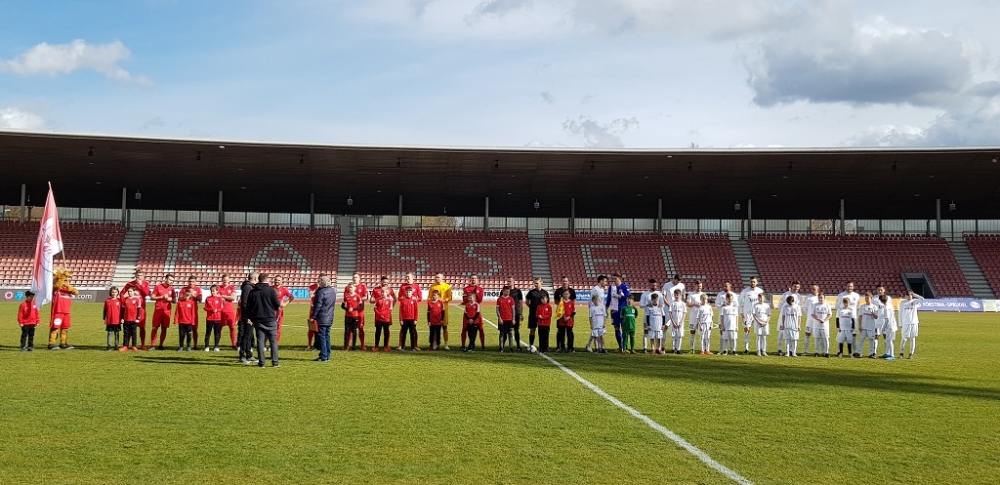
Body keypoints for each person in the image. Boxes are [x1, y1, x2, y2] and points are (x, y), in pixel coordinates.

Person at [245, 273, 282, 368]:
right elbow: (277, 305)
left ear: (259, 279)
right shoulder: (271, 291)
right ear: (267, 280)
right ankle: (275, 362)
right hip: (270, 319)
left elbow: (248, 306)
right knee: (273, 341)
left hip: (258, 319)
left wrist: (249, 317)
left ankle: (262, 363)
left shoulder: (253, 291)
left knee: (260, 341)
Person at [120, 270, 151, 349]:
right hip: (130, 309)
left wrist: (140, 285)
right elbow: (122, 293)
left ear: (143, 276)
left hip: (141, 309)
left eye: (140, 275)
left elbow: (146, 293)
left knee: (142, 327)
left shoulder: (146, 284)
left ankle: (143, 344)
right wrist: (124, 302)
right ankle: (126, 345)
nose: (139, 277)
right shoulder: (130, 284)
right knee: (130, 327)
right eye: (137, 275)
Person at [309, 274, 336, 362]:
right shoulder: (332, 291)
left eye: (320, 281)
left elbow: (318, 306)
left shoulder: (321, 292)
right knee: (327, 336)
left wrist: (313, 317)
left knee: (322, 337)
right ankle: (327, 355)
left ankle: (323, 356)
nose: (318, 283)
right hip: (330, 316)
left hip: (322, 317)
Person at [48, 271, 76, 350]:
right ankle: (51, 343)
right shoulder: (56, 288)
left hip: (66, 312)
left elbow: (76, 292)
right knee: (55, 327)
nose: (65, 281)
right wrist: (63, 276)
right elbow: (58, 285)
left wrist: (70, 288)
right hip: (58, 311)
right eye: (64, 280)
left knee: (65, 328)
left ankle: (63, 343)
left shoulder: (68, 289)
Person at [149, 274, 176, 351]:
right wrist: (161, 297)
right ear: (166, 279)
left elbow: (174, 300)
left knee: (164, 328)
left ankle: (161, 345)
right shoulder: (158, 287)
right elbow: (152, 297)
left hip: (167, 311)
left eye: (173, 281)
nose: (171, 282)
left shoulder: (172, 289)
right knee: (155, 327)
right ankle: (152, 345)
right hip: (158, 310)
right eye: (170, 280)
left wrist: (171, 299)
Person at [739, 277, 764, 354]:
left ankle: (759, 349)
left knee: (759, 332)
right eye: (751, 282)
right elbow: (739, 303)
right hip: (748, 314)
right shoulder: (745, 291)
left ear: (757, 283)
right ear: (749, 282)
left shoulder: (760, 291)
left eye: (754, 282)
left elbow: (762, 302)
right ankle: (746, 349)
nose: (752, 283)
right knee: (747, 331)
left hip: (757, 314)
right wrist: (742, 313)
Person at [237, 273, 258, 364]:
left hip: (251, 316)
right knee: (245, 336)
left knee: (249, 336)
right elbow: (244, 303)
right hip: (247, 317)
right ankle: (242, 356)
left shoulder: (250, 287)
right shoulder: (247, 288)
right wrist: (246, 318)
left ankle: (249, 355)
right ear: (255, 278)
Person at [370, 276, 395, 352]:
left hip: (386, 317)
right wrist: (379, 314)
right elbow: (374, 306)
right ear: (381, 282)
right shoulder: (376, 291)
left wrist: (384, 313)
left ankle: (386, 346)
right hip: (379, 317)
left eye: (387, 283)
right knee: (378, 331)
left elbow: (392, 305)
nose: (385, 284)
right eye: (384, 282)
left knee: (386, 331)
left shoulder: (390, 294)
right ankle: (376, 346)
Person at [605, 273, 629, 352]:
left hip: (622, 311)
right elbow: (609, 298)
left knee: (624, 329)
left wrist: (619, 296)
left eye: (615, 278)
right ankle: (620, 347)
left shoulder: (624, 287)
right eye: (613, 278)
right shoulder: (611, 287)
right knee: (616, 329)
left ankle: (625, 347)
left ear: (620, 278)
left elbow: (627, 298)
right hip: (614, 311)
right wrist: (606, 308)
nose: (614, 280)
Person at [836, 282, 861, 357]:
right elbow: (837, 306)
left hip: (853, 319)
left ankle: (854, 351)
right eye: (848, 286)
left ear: (853, 287)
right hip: (843, 319)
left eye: (851, 286)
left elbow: (858, 307)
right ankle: (839, 352)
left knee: (853, 335)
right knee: (840, 336)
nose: (849, 287)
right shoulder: (841, 295)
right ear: (846, 286)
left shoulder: (856, 296)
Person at [776, 281, 801, 356]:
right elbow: (780, 306)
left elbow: (798, 309)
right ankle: (779, 349)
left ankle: (790, 351)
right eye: (795, 286)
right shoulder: (785, 295)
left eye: (797, 287)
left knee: (792, 336)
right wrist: (785, 315)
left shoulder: (799, 296)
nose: (796, 288)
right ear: (791, 286)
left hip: (793, 320)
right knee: (781, 334)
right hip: (783, 318)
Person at [429, 273, 453, 350]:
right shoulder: (432, 286)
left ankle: (446, 344)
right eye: (436, 277)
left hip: (444, 310)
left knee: (445, 327)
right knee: (435, 328)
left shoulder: (447, 286)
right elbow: (429, 297)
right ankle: (435, 344)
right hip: (435, 311)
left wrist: (444, 300)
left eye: (438, 277)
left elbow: (450, 297)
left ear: (442, 277)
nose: (437, 278)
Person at [639, 279, 663, 353]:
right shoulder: (645, 294)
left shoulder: (659, 294)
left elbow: (662, 304)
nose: (654, 286)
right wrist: (646, 304)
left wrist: (660, 305)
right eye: (653, 285)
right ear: (649, 285)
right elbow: (640, 305)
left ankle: (658, 348)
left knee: (658, 332)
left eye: (655, 285)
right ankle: (645, 348)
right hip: (647, 316)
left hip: (657, 317)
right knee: (646, 331)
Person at [525, 278, 549, 351]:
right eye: (534, 283)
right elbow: (527, 302)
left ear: (541, 283)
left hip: (542, 316)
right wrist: (532, 308)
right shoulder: (531, 292)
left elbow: (547, 304)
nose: (535, 285)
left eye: (537, 283)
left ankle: (544, 347)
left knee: (543, 331)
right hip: (533, 315)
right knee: (532, 330)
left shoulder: (545, 293)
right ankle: (531, 345)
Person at [898, 291, 923, 359]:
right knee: (904, 338)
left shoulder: (915, 302)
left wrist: (914, 294)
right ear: (905, 296)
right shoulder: (902, 303)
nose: (909, 296)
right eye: (907, 295)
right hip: (906, 323)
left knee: (913, 338)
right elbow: (900, 313)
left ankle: (911, 353)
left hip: (914, 322)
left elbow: (922, 299)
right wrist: (900, 323)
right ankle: (901, 353)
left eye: (910, 295)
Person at [462, 275, 486, 349]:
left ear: (477, 280)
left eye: (475, 278)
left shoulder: (480, 289)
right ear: (470, 279)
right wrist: (470, 296)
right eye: (472, 278)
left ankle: (483, 346)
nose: (473, 280)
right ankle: (463, 345)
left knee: (481, 328)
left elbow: (480, 300)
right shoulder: (465, 289)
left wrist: (476, 293)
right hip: (468, 311)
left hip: (477, 312)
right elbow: (464, 300)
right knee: (465, 328)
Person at [273, 275, 295, 346]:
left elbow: (292, 297)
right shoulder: (270, 288)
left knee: (278, 327)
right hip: (269, 310)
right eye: (276, 280)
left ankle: (275, 344)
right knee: (268, 327)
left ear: (282, 281)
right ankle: (265, 344)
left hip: (279, 311)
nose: (277, 281)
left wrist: (285, 303)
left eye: (278, 280)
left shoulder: (284, 290)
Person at [217, 274, 238, 349]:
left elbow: (233, 298)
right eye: (224, 279)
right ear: (222, 280)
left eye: (226, 279)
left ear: (229, 280)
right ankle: (217, 344)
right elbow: (216, 297)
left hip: (230, 311)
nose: (225, 281)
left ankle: (234, 344)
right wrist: (226, 297)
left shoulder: (231, 288)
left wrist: (222, 296)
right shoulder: (218, 288)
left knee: (232, 327)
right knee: (219, 328)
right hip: (220, 311)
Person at [183, 276, 204, 350]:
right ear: (188, 282)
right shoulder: (184, 289)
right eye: (190, 281)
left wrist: (193, 295)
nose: (191, 283)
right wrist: (187, 296)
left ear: (195, 282)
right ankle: (184, 345)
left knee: (194, 329)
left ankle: (195, 345)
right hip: (185, 312)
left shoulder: (198, 289)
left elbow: (200, 299)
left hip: (194, 312)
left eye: (193, 281)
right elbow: (179, 298)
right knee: (184, 330)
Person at [685, 280, 705, 353]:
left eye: (700, 286)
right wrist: (693, 304)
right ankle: (692, 349)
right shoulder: (691, 294)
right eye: (698, 286)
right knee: (692, 332)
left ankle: (702, 349)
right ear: (695, 286)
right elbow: (687, 304)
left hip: (701, 317)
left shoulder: (703, 294)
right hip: (693, 316)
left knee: (701, 333)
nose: (699, 287)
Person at [589, 276, 609, 352]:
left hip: (601, 312)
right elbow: (591, 300)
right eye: (605, 281)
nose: (606, 283)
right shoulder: (595, 289)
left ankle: (600, 347)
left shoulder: (602, 290)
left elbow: (602, 302)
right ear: (601, 281)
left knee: (601, 332)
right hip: (596, 312)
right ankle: (591, 345)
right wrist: (592, 311)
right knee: (595, 331)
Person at [341, 283, 363, 351]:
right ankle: (346, 346)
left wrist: (353, 309)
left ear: (355, 288)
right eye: (349, 287)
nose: (351, 289)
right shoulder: (346, 296)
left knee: (354, 331)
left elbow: (361, 306)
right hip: (347, 315)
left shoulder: (358, 296)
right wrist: (347, 309)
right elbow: (342, 306)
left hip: (355, 316)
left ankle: (354, 346)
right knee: (347, 331)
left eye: (352, 287)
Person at [397, 286, 419, 351]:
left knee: (412, 333)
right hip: (404, 319)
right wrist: (401, 319)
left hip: (412, 319)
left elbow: (416, 310)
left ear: (412, 292)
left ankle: (413, 347)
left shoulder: (414, 300)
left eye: (409, 292)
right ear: (405, 292)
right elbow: (400, 311)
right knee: (404, 333)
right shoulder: (403, 300)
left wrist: (416, 319)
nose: (408, 293)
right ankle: (403, 347)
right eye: (407, 292)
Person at [203, 285, 224, 351]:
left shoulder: (219, 299)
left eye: (214, 291)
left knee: (216, 333)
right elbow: (205, 308)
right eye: (211, 291)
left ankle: (216, 347)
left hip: (217, 319)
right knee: (208, 333)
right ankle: (206, 347)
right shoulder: (207, 298)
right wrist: (211, 310)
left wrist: (216, 310)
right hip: (209, 319)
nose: (212, 292)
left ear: (217, 291)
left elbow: (221, 308)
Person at [120, 287, 142, 352]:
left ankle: (134, 346)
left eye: (131, 291)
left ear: (134, 292)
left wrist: (138, 318)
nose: (129, 292)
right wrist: (122, 318)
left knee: (134, 333)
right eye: (128, 291)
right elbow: (123, 310)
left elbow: (139, 309)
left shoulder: (137, 299)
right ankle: (125, 346)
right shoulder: (125, 300)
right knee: (126, 333)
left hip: (133, 320)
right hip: (126, 319)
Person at [811, 293, 832, 357]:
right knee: (817, 339)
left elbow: (830, 314)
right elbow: (812, 314)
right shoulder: (815, 305)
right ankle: (816, 352)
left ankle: (826, 352)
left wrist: (824, 320)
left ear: (824, 298)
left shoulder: (827, 305)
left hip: (825, 326)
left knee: (825, 339)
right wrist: (818, 319)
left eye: (821, 297)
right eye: (819, 297)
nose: (820, 299)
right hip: (816, 325)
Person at [801, 285, 821, 356]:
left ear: (818, 289)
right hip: (810, 320)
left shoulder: (821, 297)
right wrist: (809, 314)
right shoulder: (808, 297)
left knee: (818, 336)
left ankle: (817, 351)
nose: (812, 290)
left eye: (814, 289)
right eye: (812, 289)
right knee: (807, 334)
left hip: (818, 321)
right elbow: (804, 308)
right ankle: (805, 351)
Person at [715, 282, 735, 352]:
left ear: (730, 286)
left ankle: (732, 349)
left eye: (726, 286)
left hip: (731, 317)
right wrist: (722, 305)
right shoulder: (720, 294)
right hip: (722, 316)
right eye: (724, 286)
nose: (725, 287)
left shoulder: (734, 295)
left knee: (732, 334)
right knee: (721, 332)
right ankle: (722, 349)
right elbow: (716, 304)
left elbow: (736, 305)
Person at [859, 293, 880, 358]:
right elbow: (860, 317)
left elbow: (876, 317)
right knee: (862, 339)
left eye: (868, 298)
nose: (866, 299)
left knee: (871, 340)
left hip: (871, 327)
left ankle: (872, 353)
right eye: (865, 298)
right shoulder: (862, 307)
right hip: (863, 326)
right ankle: (859, 352)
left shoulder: (875, 307)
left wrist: (872, 313)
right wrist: (859, 325)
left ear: (871, 298)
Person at [876, 295, 896, 360]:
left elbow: (887, 320)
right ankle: (887, 353)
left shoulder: (886, 308)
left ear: (881, 300)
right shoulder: (890, 305)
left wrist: (883, 328)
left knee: (889, 341)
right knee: (887, 340)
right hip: (892, 324)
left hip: (890, 326)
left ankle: (892, 355)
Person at [496, 286, 515, 352]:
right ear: (503, 291)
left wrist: (513, 319)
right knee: (502, 333)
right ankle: (501, 347)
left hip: (509, 319)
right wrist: (499, 318)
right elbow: (497, 309)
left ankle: (511, 347)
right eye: (507, 291)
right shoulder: (499, 299)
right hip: (502, 319)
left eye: (509, 291)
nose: (508, 292)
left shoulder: (511, 299)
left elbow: (513, 310)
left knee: (510, 333)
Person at [508, 276, 524, 352]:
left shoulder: (518, 291)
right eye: (508, 281)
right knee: (508, 330)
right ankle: (509, 346)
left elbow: (521, 303)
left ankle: (518, 346)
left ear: (514, 282)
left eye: (510, 281)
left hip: (516, 312)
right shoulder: (505, 291)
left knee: (516, 330)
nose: (509, 282)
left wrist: (521, 313)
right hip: (507, 313)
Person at [103, 287, 123, 351]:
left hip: (117, 320)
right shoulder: (107, 300)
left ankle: (116, 345)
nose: (114, 293)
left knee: (116, 333)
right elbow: (105, 310)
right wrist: (104, 318)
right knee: (109, 333)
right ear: (110, 292)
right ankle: (109, 345)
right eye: (113, 292)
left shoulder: (119, 301)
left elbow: (122, 311)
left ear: (117, 293)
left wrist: (122, 318)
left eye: (115, 292)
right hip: (109, 320)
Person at [667, 289, 686, 354]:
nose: (676, 296)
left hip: (680, 323)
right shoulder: (672, 303)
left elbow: (684, 313)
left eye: (677, 295)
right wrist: (673, 322)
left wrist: (681, 322)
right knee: (673, 336)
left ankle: (678, 349)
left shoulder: (683, 304)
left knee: (680, 336)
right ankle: (673, 349)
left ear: (680, 295)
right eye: (675, 295)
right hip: (673, 323)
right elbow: (670, 313)